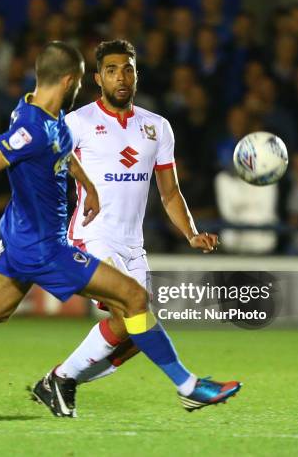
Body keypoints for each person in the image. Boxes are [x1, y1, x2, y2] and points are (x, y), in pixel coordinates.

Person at [0, 41, 241, 418]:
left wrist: (91, 187)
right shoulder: (30, 129)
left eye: (127, 68)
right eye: (86, 79)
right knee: (133, 301)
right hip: (44, 248)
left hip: (20, 238)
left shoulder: (47, 117)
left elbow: (61, 151)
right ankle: (187, 386)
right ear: (73, 80)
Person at [30, 39, 236, 411]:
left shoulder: (157, 128)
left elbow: (170, 193)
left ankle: (60, 379)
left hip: (131, 244)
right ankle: (188, 387)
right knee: (133, 310)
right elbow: (45, 166)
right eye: (111, 70)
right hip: (90, 237)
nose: (121, 77)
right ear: (97, 78)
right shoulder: (77, 123)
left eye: (128, 69)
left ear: (136, 75)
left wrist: (190, 232)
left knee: (132, 332)